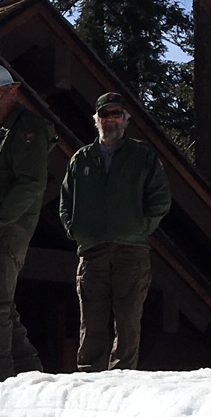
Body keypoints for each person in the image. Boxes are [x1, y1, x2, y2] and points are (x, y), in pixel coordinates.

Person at [57, 92, 171, 372]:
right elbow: (64, 202)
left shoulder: (142, 155)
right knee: (91, 319)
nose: (110, 119)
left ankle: (122, 376)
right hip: (92, 251)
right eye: (105, 114)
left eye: (116, 113)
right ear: (96, 119)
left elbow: (161, 198)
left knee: (129, 318)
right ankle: (89, 377)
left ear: (126, 119)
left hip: (131, 250)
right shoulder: (81, 159)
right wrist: (76, 231)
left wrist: (141, 227)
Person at [0, 63, 56, 380]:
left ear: (13, 92)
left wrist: (2, 218)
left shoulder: (27, 128)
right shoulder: (1, 130)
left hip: (8, 226)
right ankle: (28, 369)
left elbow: (31, 183)